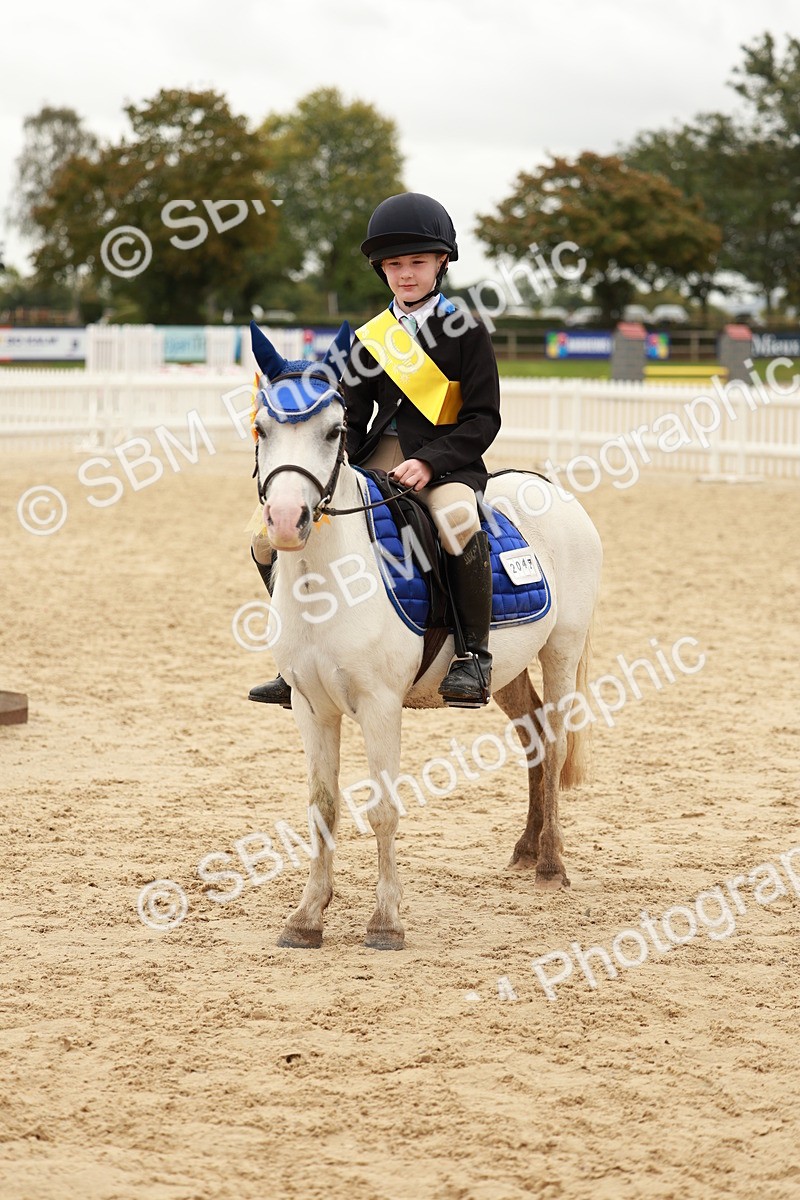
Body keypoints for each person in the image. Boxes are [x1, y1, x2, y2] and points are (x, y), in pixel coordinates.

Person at [249, 191, 501, 709]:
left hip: (444, 464)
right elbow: (349, 416)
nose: (405, 274)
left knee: (456, 519)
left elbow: (484, 419)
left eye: (417, 263)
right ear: (381, 270)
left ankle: (472, 655)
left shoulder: (467, 331)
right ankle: (294, 660)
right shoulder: (369, 339)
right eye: (394, 265)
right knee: (265, 540)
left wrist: (431, 461)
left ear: (441, 263)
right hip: (372, 462)